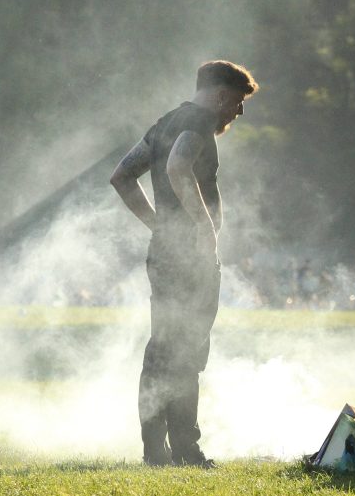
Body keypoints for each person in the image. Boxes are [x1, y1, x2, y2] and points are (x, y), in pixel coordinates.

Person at [110, 60, 258, 467]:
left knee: (162, 350)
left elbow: (122, 176)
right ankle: (187, 451)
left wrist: (158, 225)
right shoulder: (198, 121)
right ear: (222, 94)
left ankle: (155, 451)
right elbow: (178, 166)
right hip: (189, 258)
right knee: (187, 352)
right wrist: (203, 226)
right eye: (239, 102)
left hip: (164, 252)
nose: (239, 113)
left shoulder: (165, 122)